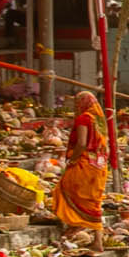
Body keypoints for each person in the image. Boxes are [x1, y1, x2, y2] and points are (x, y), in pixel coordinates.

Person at [51, 90, 109, 236]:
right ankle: (85, 229)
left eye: (77, 102)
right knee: (92, 201)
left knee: (64, 189)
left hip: (86, 164)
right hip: (100, 166)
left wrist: (73, 159)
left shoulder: (84, 118)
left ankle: (78, 223)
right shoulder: (99, 120)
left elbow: (82, 143)